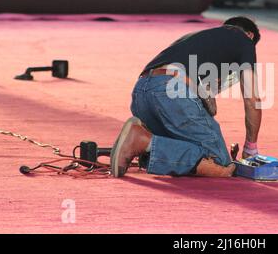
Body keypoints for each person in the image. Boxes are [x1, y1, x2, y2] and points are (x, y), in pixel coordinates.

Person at [110, 17, 262, 178]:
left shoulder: (195, 38)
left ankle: (143, 144)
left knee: (181, 149)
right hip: (170, 91)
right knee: (218, 161)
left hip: (141, 93)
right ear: (250, 35)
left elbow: (203, 95)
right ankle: (142, 141)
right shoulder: (244, 40)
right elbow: (253, 100)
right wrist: (250, 147)